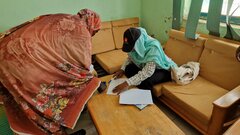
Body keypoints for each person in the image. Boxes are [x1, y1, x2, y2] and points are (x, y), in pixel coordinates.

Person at [0, 9, 101, 134]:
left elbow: (57, 48)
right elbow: (84, 65)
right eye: (95, 31)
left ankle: (29, 126)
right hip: (24, 59)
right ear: (92, 24)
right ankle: (54, 130)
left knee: (22, 95)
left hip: (5, 50)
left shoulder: (64, 17)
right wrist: (92, 74)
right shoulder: (82, 31)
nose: (93, 34)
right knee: (43, 97)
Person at [113, 27, 177, 94]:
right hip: (147, 66)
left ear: (138, 44)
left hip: (163, 69)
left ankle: (147, 100)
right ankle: (137, 84)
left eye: (133, 48)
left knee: (147, 81)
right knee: (128, 68)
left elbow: (147, 72)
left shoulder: (153, 47)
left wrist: (126, 83)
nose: (132, 50)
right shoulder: (135, 40)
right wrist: (122, 69)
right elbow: (130, 57)